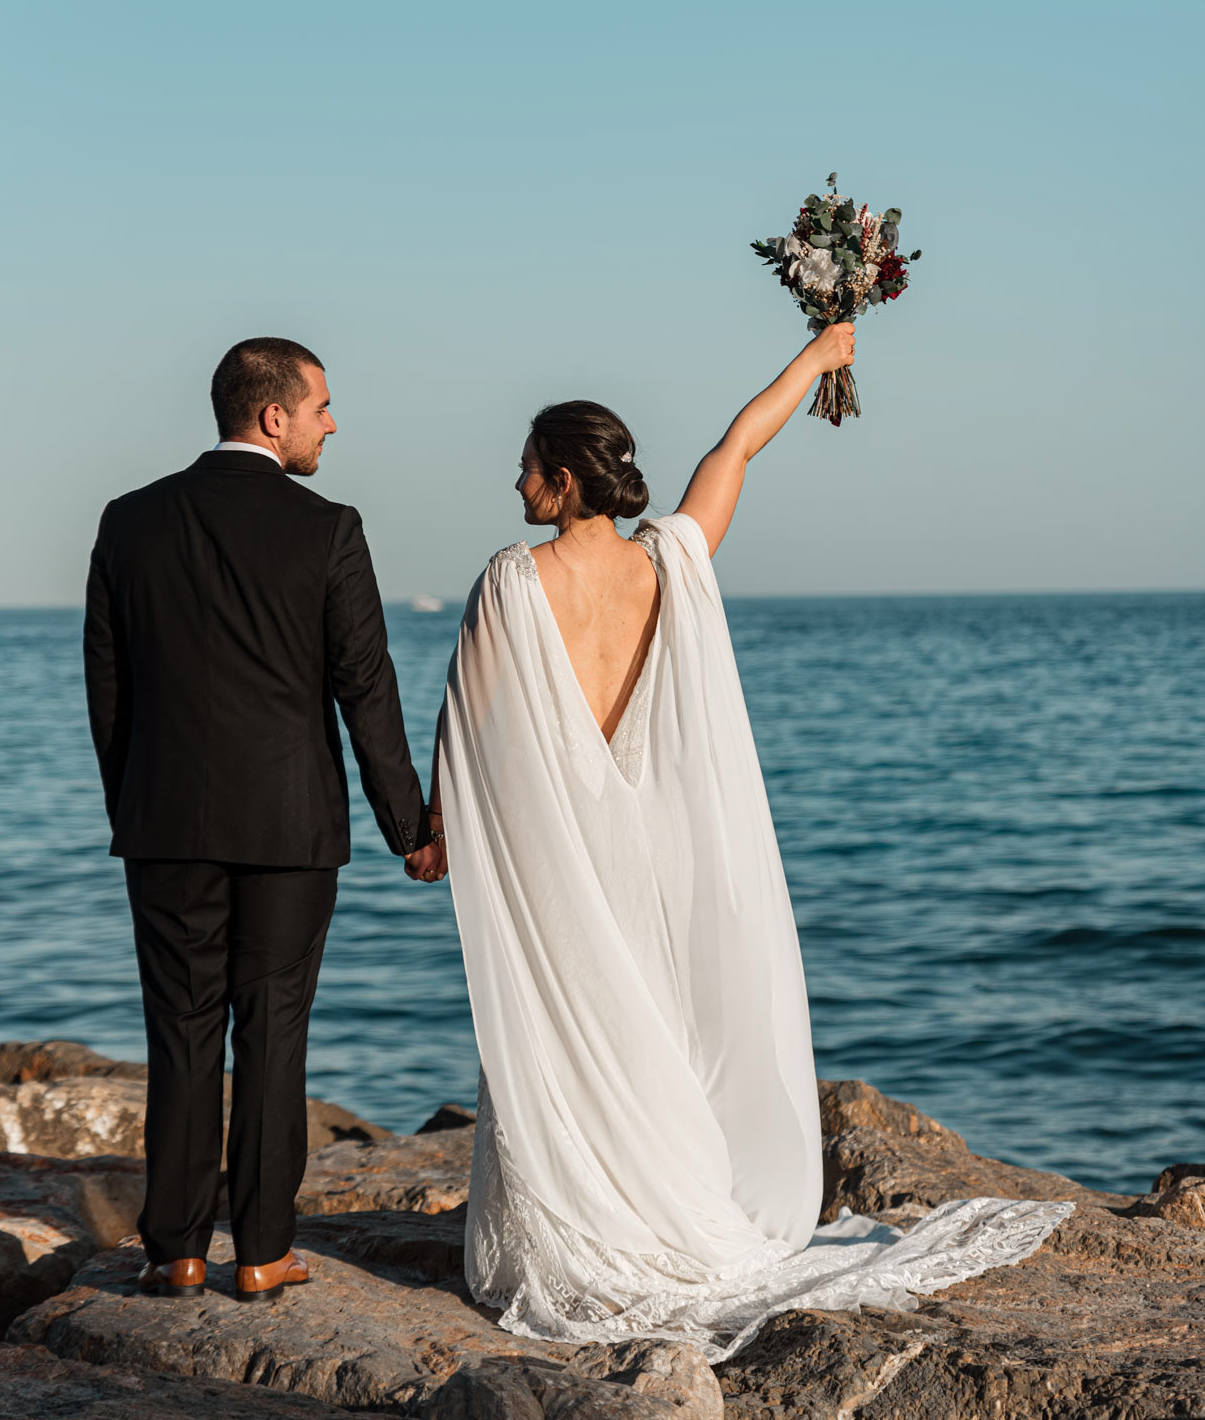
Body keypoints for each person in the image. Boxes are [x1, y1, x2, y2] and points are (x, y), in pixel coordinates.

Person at [427, 323, 1072, 1360]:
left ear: (557, 480)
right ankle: (670, 1207)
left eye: (525, 471)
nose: (516, 485)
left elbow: (472, 720)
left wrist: (435, 831)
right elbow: (734, 451)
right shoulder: (669, 564)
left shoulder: (512, 580)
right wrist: (814, 362)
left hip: (566, 851)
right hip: (651, 847)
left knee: (575, 1027)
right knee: (663, 1030)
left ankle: (592, 1222)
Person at [83, 337, 440, 1303]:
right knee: (274, 1029)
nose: (333, 422)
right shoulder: (330, 529)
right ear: (272, 416)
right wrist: (411, 825)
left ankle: (177, 1250)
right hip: (289, 827)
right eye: (321, 404)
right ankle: (263, 1251)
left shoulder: (128, 521)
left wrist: (138, 804)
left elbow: (106, 690)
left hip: (163, 824)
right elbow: (366, 690)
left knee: (181, 1031)